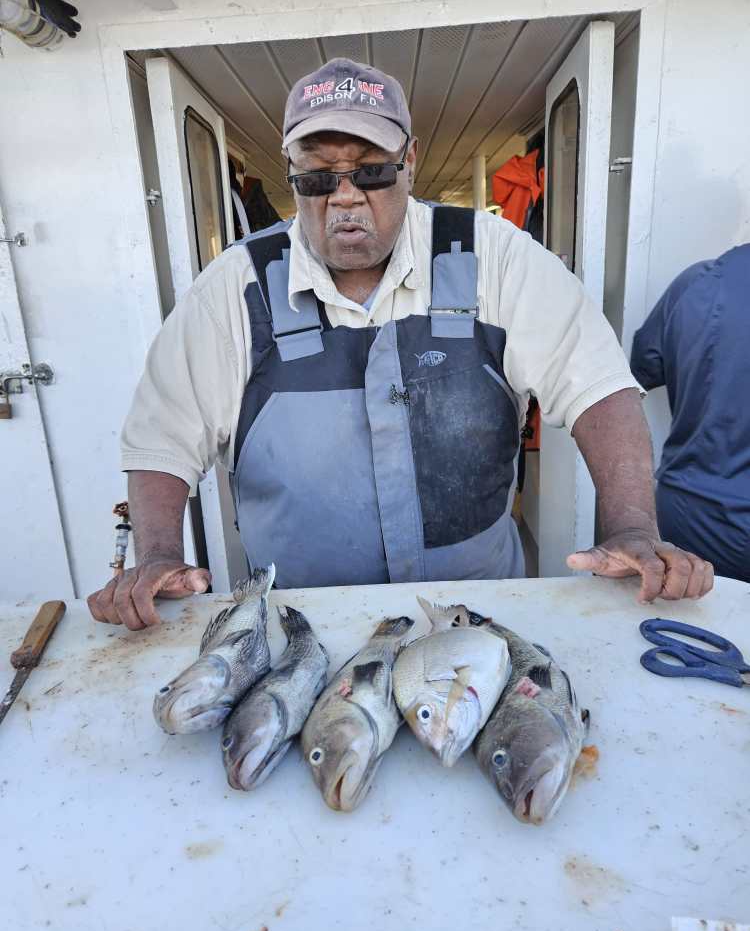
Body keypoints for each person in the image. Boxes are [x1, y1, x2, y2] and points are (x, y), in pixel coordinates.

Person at [87, 58, 713, 631]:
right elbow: (163, 436)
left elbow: (600, 388)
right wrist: (161, 556)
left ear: (410, 161)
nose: (346, 196)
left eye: (372, 172)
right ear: (291, 175)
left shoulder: (493, 256)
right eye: (318, 178)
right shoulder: (234, 287)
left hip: (475, 617)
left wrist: (631, 527)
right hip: (300, 624)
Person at [630, 245, 750, 582]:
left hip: (692, 513)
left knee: (690, 627)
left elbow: (643, 368)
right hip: (695, 512)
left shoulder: (697, 283)